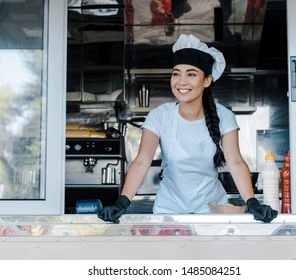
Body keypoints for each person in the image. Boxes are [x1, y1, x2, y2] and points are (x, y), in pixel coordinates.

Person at [98, 34, 278, 223]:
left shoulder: (224, 116)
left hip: (212, 210)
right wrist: (122, 203)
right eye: (176, 73)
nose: (181, 81)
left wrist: (252, 203)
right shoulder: (159, 116)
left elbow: (235, 162)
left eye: (191, 74)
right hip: (169, 210)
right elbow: (142, 161)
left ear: (206, 81)